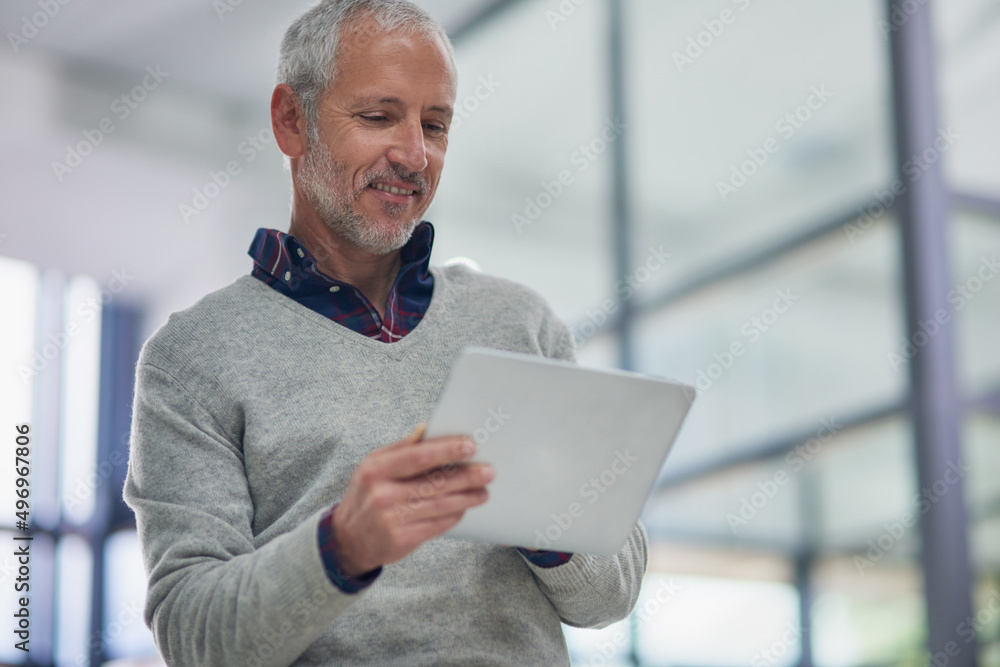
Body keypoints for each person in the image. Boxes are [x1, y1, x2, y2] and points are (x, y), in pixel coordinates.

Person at [123, 1, 647, 664]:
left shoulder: (519, 323)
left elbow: (612, 592)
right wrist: (342, 546)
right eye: (378, 117)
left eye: (435, 124)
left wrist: (544, 509)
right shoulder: (193, 359)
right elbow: (195, 636)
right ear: (292, 120)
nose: (413, 154)